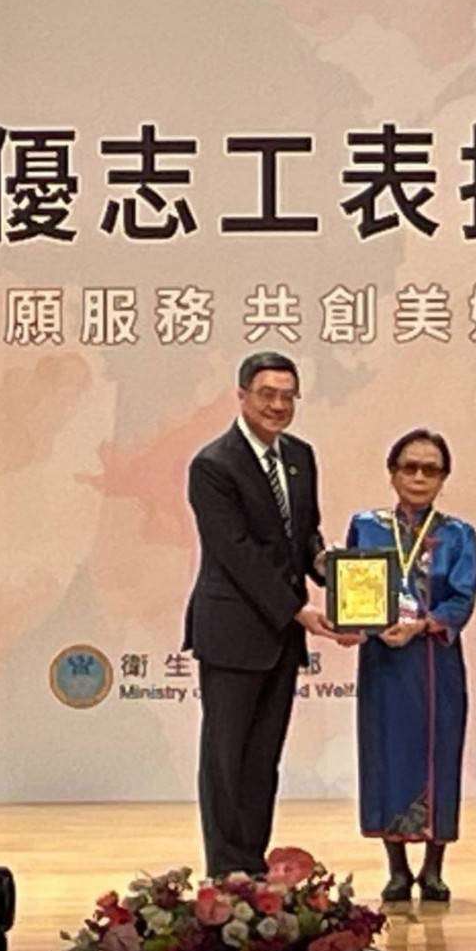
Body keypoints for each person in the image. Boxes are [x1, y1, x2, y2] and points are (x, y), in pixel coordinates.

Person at [184, 351, 341, 879]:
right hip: (233, 631)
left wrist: (329, 569)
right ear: (242, 395)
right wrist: (299, 609)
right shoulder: (214, 465)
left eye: (288, 396)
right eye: (267, 394)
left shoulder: (300, 456)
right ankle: (227, 871)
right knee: (226, 758)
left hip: (281, 636)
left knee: (262, 760)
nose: (278, 405)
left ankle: (252, 865)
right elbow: (236, 552)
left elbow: (304, 534)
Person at [344, 428, 476, 903]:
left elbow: (462, 597)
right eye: (410, 467)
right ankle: (397, 869)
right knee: (386, 755)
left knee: (439, 754)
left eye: (431, 469)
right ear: (392, 472)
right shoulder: (366, 527)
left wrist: (422, 626)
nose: (419, 477)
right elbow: (353, 585)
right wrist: (361, 624)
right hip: (383, 661)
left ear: (443, 478)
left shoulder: (459, 534)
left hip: (435, 662)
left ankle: (434, 869)